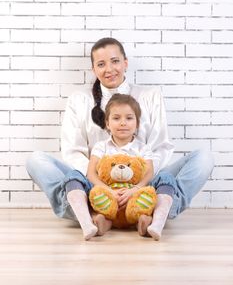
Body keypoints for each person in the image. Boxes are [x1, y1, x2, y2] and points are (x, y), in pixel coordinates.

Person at [26, 37, 214, 240]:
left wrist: (137, 186)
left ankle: (150, 209)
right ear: (93, 69)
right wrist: (102, 185)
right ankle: (93, 213)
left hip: (144, 183)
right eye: (101, 64)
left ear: (125, 62)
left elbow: (160, 147)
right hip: (97, 185)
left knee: (204, 158)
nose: (109, 69)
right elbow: (73, 152)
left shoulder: (150, 95)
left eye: (115, 61)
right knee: (36, 160)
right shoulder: (79, 100)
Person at [87, 93, 179, 240]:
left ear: (137, 124)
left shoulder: (143, 148)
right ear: (107, 123)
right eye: (116, 118)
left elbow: (149, 173)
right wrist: (109, 191)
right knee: (100, 207)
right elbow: (91, 174)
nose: (123, 123)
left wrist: (135, 190)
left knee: (151, 195)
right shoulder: (101, 147)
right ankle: (103, 223)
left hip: (133, 198)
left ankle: (144, 224)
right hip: (110, 198)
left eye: (129, 118)